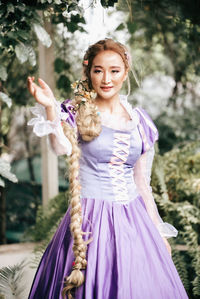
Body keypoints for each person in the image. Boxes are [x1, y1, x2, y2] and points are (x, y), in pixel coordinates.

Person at [27, 39, 188, 299]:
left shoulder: (140, 120)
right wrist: (49, 108)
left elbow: (141, 184)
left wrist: (158, 233)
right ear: (89, 72)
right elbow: (59, 148)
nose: (106, 78)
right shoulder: (76, 111)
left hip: (135, 222)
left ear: (125, 71)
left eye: (114, 70)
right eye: (98, 70)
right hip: (90, 221)